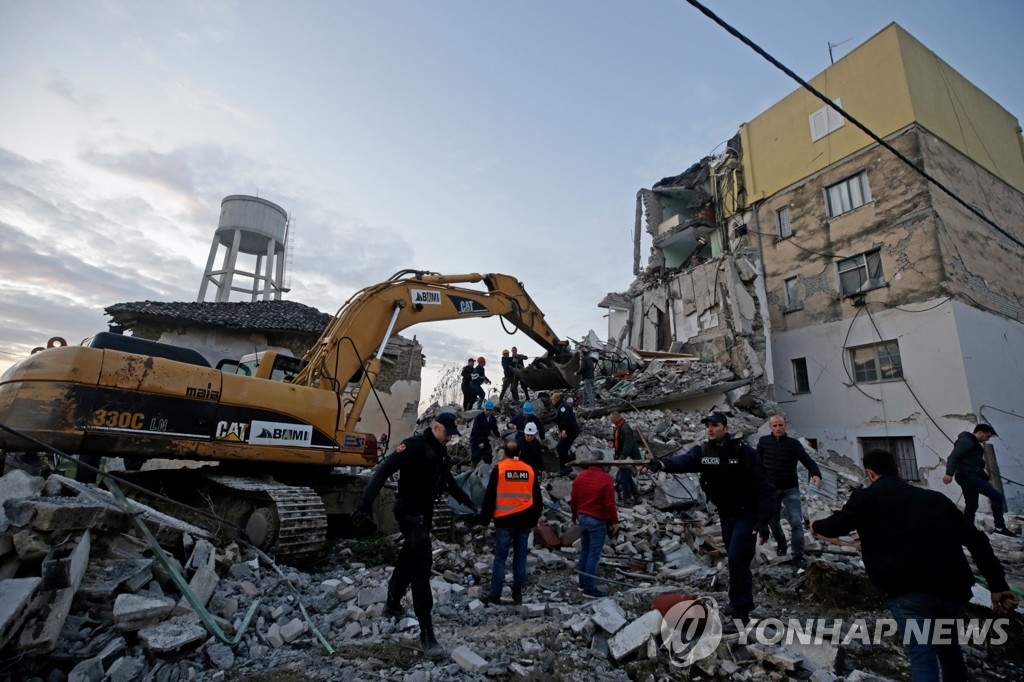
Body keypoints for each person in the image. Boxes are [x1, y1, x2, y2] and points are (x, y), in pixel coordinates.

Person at [812, 448, 1018, 682]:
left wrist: (815, 525)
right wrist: (997, 585)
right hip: (949, 590)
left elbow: (838, 525)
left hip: (907, 593)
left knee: (922, 659)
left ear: (870, 473)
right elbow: (977, 541)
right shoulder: (936, 499)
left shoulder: (866, 498)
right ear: (898, 470)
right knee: (950, 653)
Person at [351, 412, 476, 660]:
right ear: (436, 427)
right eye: (448, 432)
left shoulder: (439, 451)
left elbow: (449, 481)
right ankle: (427, 632)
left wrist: (471, 504)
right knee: (421, 566)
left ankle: (392, 602)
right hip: (410, 514)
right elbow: (384, 469)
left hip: (424, 514)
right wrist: (365, 504)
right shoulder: (414, 445)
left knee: (409, 556)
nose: (451, 438)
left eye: (453, 434)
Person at [644, 412, 775, 623]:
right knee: (734, 558)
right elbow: (683, 461)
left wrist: (764, 521)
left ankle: (742, 609)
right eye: (707, 426)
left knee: (737, 557)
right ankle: (738, 603)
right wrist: (661, 464)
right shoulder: (703, 452)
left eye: (715, 425)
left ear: (726, 428)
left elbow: (765, 485)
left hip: (748, 512)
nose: (710, 429)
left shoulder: (743, 452)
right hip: (726, 513)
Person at [479, 439, 543, 605]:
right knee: (520, 557)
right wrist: (534, 519)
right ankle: (517, 593)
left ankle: (495, 596)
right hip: (525, 521)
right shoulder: (529, 470)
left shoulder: (499, 468)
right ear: (520, 453)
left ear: (505, 453)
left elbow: (490, 495)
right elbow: (537, 498)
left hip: (504, 520)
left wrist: (485, 518)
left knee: (500, 558)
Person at [756, 414, 823, 565]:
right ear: (770, 427)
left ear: (785, 425)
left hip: (790, 488)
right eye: (775, 426)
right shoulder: (764, 442)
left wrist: (816, 474)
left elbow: (807, 461)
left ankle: (797, 554)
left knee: (796, 522)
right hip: (770, 489)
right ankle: (781, 545)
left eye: (780, 425)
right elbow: (755, 462)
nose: (778, 428)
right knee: (773, 522)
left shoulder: (793, 444)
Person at [942, 424, 1017, 536]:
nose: (988, 439)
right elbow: (953, 457)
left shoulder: (973, 443)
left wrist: (985, 479)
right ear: (980, 432)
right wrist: (949, 473)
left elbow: (975, 465)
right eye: (987, 436)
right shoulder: (966, 442)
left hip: (969, 476)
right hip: (967, 476)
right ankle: (1000, 528)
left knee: (972, 505)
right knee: (997, 497)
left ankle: (966, 531)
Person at [571, 460, 619, 597]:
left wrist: (574, 513)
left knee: (584, 551)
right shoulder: (606, 479)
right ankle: (589, 588)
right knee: (593, 554)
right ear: (604, 464)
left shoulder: (581, 476)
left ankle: (582, 583)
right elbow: (610, 504)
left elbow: (574, 497)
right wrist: (615, 521)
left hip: (583, 517)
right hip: (597, 520)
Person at [608, 410, 641, 504]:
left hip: (628, 458)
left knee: (622, 477)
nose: (612, 422)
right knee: (626, 477)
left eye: (612, 420)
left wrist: (622, 457)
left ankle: (627, 499)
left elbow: (628, 445)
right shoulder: (620, 427)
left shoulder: (625, 429)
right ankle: (636, 496)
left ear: (616, 418)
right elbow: (622, 443)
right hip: (625, 457)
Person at [552, 392, 580, 476]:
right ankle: (565, 468)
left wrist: (564, 430)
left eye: (552, 399)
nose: (551, 401)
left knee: (560, 448)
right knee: (563, 448)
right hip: (570, 430)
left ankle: (566, 468)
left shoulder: (562, 407)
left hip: (570, 431)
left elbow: (566, 417)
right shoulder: (561, 406)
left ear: (556, 399)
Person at [470, 400, 500, 465]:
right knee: (476, 456)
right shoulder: (478, 418)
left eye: (490, 410)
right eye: (487, 410)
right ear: (484, 409)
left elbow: (495, 429)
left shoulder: (492, 419)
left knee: (488, 455)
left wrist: (498, 437)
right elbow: (475, 431)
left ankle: (487, 469)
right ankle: (473, 468)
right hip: (476, 439)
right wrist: (479, 442)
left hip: (485, 439)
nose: (488, 412)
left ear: (492, 410)